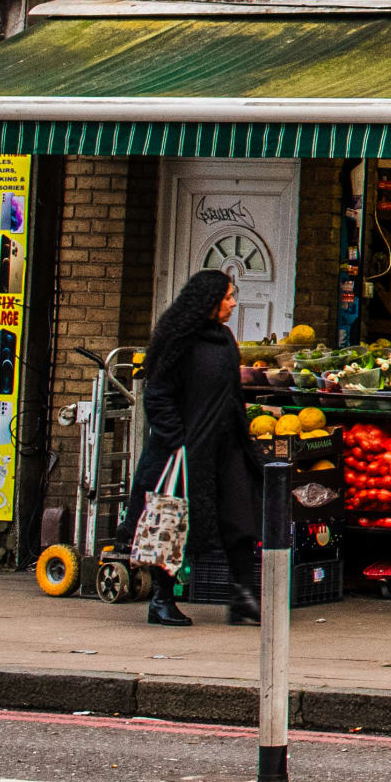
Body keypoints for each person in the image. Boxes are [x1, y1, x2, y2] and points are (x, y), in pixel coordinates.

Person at [132, 267, 264, 629]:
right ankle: (162, 599)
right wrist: (176, 440)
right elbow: (157, 395)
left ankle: (244, 597)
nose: (233, 303)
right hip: (184, 453)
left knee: (241, 520)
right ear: (208, 302)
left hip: (226, 447)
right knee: (172, 524)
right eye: (227, 297)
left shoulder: (224, 340)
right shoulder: (177, 340)